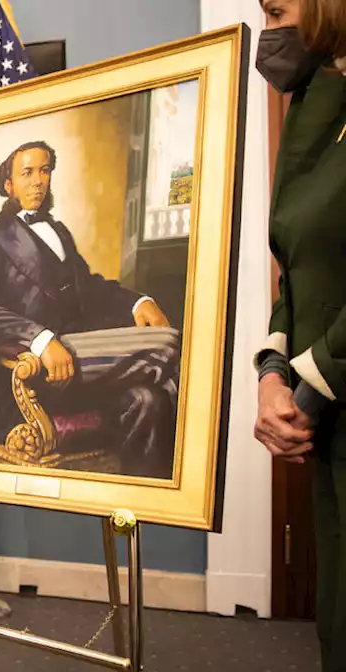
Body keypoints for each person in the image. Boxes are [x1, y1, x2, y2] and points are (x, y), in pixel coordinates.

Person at [0, 140, 180, 478]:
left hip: (84, 364)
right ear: (8, 184)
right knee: (167, 344)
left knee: (149, 400)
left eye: (44, 171)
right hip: (33, 371)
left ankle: (152, 501)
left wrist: (138, 301)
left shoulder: (58, 232)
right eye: (27, 173)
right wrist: (40, 339)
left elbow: (91, 287)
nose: (38, 181)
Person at [252, 1, 346, 668]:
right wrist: (271, 373)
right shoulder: (318, 98)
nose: (269, 29)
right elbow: (298, 268)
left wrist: (309, 388)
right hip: (326, 416)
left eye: (277, 9)